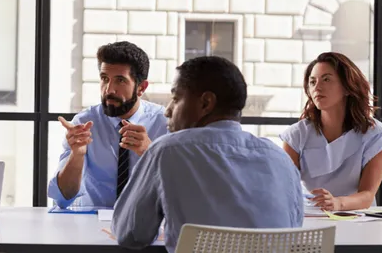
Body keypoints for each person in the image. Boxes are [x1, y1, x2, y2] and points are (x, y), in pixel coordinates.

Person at [111, 56, 303, 252]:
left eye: (176, 99)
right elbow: (293, 230)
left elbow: (130, 234)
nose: (168, 111)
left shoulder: (167, 150)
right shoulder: (280, 159)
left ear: (206, 103)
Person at [47, 41, 168, 208]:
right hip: (91, 224)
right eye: (104, 79)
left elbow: (179, 192)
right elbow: (62, 199)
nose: (109, 90)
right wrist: (77, 154)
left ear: (141, 87)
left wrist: (150, 153)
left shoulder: (164, 124)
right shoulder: (84, 124)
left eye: (120, 81)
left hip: (146, 227)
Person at [281, 52, 382, 211]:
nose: (317, 87)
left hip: (357, 219)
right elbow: (284, 188)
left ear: (347, 87)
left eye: (326, 79)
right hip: (310, 218)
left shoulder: (376, 135)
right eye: (312, 82)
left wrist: (337, 203)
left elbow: (367, 195)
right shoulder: (296, 135)